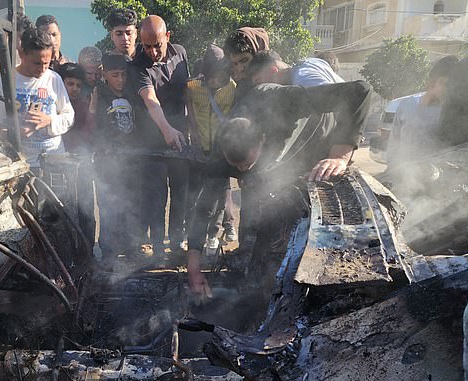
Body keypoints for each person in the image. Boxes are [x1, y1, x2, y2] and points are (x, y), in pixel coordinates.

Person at [187, 80, 372, 300]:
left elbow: (360, 91)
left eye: (245, 165)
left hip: (315, 141)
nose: (240, 171)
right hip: (274, 160)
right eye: (236, 167)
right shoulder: (225, 144)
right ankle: (260, 278)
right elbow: (206, 203)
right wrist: (193, 265)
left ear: (262, 139)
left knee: (295, 213)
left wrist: (339, 155)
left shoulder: (284, 102)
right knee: (262, 214)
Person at [130, 15, 190, 254]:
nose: (153, 52)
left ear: (168, 37)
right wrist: (166, 130)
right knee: (156, 196)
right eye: (147, 46)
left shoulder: (181, 53)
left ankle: (176, 242)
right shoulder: (137, 66)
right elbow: (150, 99)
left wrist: (192, 127)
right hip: (153, 140)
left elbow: (189, 92)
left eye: (158, 45)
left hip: (181, 137)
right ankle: (156, 244)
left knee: (181, 192)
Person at [0, 26, 74, 165]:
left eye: (47, 63)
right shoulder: (5, 79)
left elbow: (69, 117)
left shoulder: (54, 79)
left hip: (54, 161)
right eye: (37, 63)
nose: (42, 69)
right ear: (22, 53)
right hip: (20, 163)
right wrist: (15, 134)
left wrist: (49, 121)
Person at [185, 44, 237, 252]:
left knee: (218, 196)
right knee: (196, 194)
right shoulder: (193, 86)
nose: (216, 80)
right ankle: (193, 235)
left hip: (221, 152)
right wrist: (194, 129)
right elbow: (187, 102)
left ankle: (213, 236)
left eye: (221, 75)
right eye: (212, 76)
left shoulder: (232, 88)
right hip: (199, 150)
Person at [91, 52, 142, 262]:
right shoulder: (99, 94)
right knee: (108, 206)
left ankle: (132, 249)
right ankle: (109, 251)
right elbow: (94, 127)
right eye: (115, 75)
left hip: (130, 160)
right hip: (107, 162)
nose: (120, 80)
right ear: (104, 73)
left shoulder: (131, 93)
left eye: (123, 74)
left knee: (131, 206)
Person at [386, 55, 459, 197]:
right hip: (402, 181)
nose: (449, 90)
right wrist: (392, 173)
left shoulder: (450, 114)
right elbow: (394, 144)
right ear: (432, 82)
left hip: (434, 187)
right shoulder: (407, 105)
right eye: (445, 84)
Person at [247, 50, 344, 87]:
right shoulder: (310, 62)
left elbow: (333, 98)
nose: (258, 88)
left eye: (258, 82)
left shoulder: (303, 78)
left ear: (274, 70)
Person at [222, 27, 269, 99]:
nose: (240, 68)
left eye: (244, 60)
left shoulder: (275, 74)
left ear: (256, 53)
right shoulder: (233, 84)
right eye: (235, 64)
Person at [56, 62, 92, 153]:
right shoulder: (51, 105)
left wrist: (92, 111)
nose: (75, 89)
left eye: (78, 85)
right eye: (70, 84)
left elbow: (86, 136)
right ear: (60, 82)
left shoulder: (82, 106)